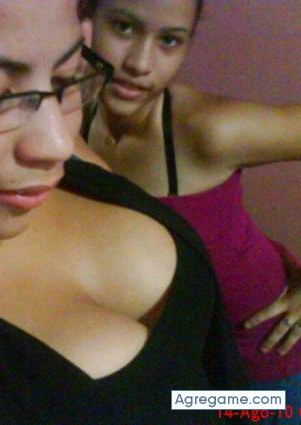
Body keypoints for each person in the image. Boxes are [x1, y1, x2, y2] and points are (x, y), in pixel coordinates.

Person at [0, 1, 249, 424]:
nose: (58, 144)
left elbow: (200, 396)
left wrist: (270, 408)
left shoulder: (49, 153)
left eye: (67, 78)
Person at [78, 0, 301, 420]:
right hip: (170, 366)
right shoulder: (61, 116)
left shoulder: (209, 130)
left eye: (169, 40)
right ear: (85, 20)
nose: (140, 63)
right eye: (123, 27)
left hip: (259, 373)